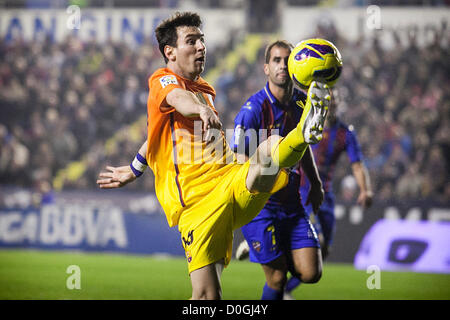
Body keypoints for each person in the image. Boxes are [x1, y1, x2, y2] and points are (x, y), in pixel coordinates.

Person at [96, 11, 332, 300]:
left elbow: (157, 133)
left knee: (270, 146)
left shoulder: (205, 89)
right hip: (198, 205)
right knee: (207, 297)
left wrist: (135, 166)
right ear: (169, 52)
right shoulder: (162, 80)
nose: (200, 47)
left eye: (202, 40)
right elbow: (179, 101)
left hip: (230, 180)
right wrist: (199, 109)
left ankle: (304, 130)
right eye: (191, 41)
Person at [231, 40, 324, 300]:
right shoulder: (253, 110)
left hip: (291, 203)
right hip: (260, 206)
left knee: (311, 273)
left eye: (287, 60)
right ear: (266, 68)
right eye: (276, 60)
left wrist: (315, 184)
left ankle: (264, 249)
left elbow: (303, 146)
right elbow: (237, 159)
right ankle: (262, 246)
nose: (282, 65)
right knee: (278, 277)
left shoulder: (304, 104)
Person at [283, 88, 373, 298]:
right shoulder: (307, 123)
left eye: (335, 100)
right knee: (318, 242)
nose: (331, 104)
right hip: (302, 192)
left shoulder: (345, 133)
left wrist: (365, 190)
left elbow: (357, 165)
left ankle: (285, 287)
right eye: (328, 100)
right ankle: (282, 289)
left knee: (324, 251)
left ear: (339, 104)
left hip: (326, 195)